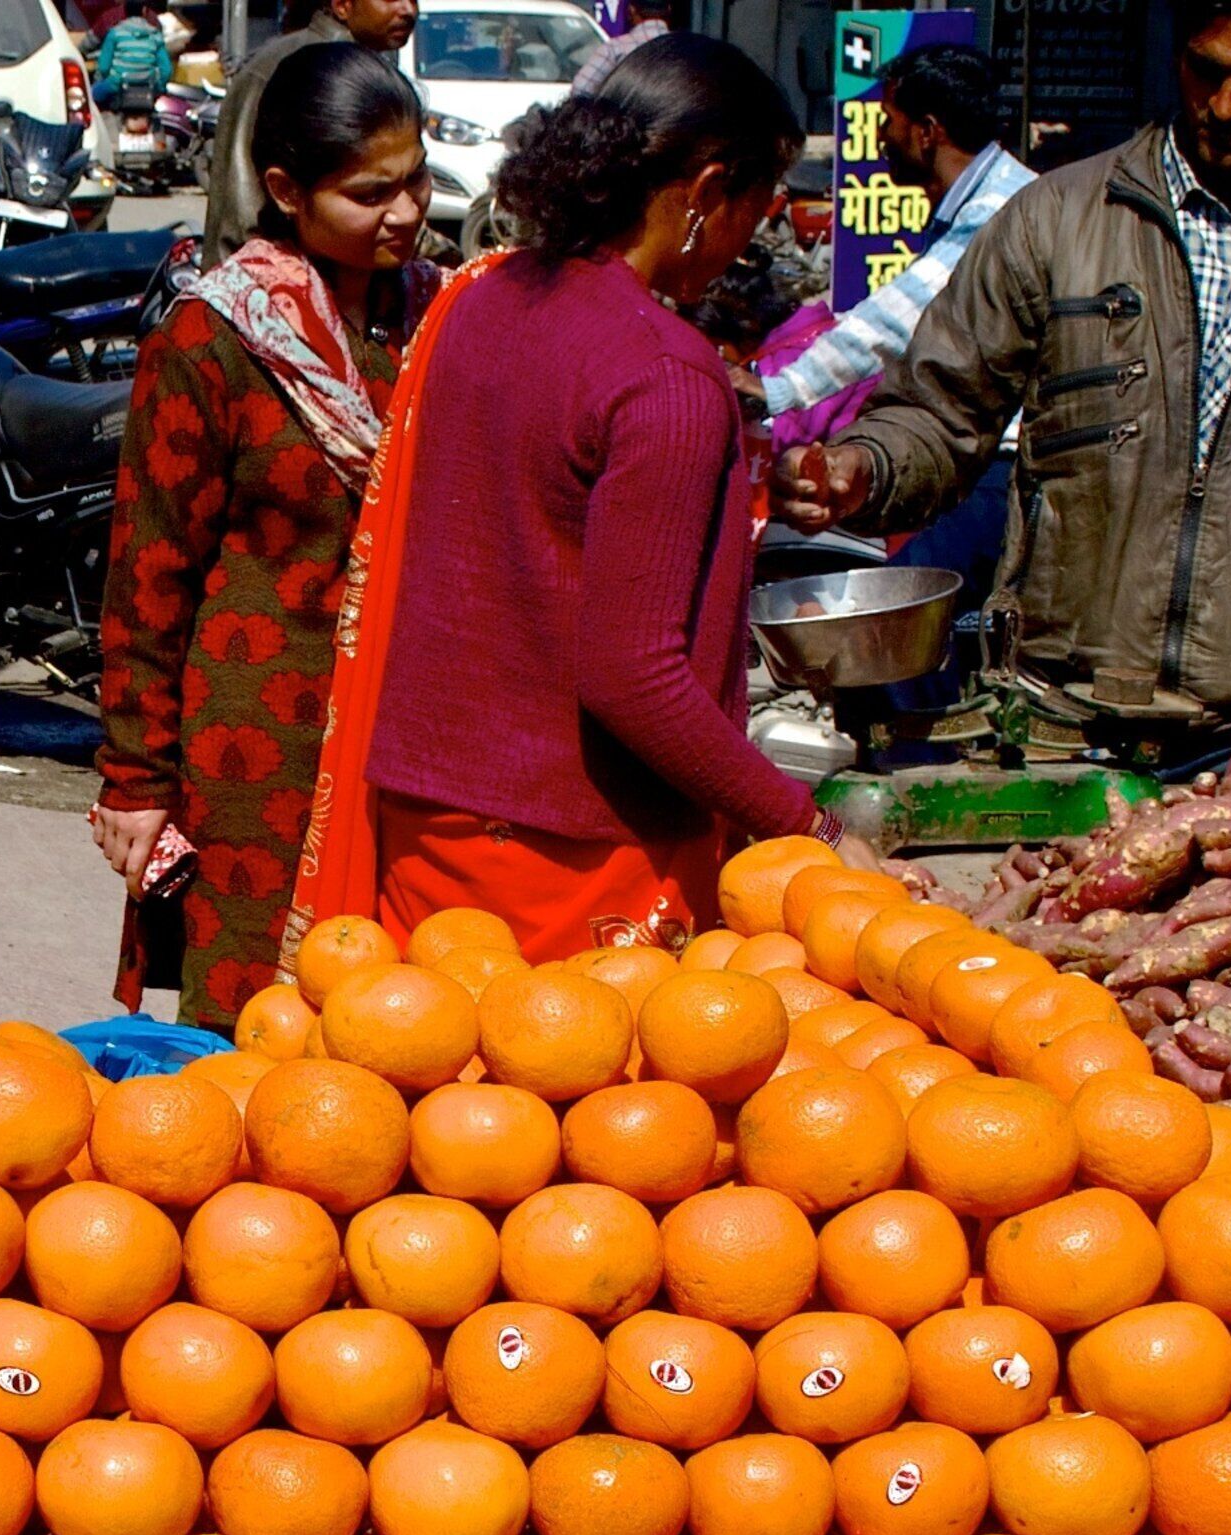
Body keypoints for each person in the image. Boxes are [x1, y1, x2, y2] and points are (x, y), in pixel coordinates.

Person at [777, 0, 1231, 763]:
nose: (1226, 105)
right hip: (1057, 726)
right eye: (1207, 70)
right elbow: (940, 410)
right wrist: (863, 466)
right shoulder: (1055, 220)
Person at [317, 35, 843, 959]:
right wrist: (803, 824)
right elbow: (635, 676)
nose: (744, 248)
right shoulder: (665, 371)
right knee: (579, 1096)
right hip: (578, 850)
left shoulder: (484, 300)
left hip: (429, 818)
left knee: (434, 1088)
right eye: (753, 215)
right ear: (707, 191)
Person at [90, 44, 438, 1025]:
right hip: (257, 753)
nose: (406, 213)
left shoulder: (439, 322)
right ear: (285, 189)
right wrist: (135, 778)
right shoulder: (215, 342)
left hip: (404, 750)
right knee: (253, 1037)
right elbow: (147, 575)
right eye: (372, 193)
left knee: (401, 1029)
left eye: (416, 178)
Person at [762, 42, 1036, 752]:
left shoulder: (1005, 211)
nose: (880, 145)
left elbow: (891, 323)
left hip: (1006, 464)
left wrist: (778, 389)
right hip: (973, 453)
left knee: (896, 628)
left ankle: (913, 775)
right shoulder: (975, 203)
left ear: (927, 130)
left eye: (888, 127)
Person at [203, 0, 423, 254]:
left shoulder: (376, 72)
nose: (408, 10)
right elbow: (239, 216)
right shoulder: (289, 72)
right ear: (343, 5)